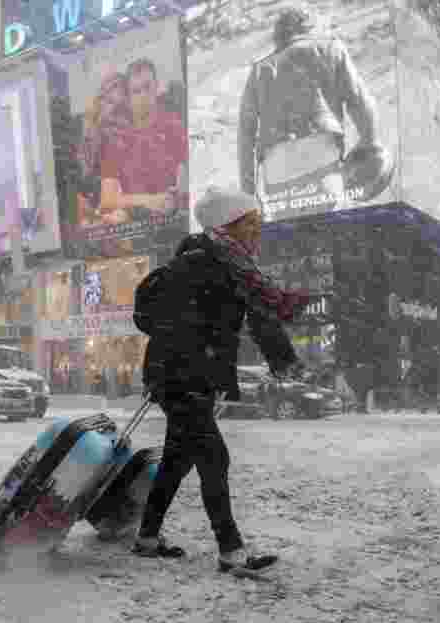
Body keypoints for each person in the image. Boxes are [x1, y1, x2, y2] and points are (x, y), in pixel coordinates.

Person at [134, 187, 308, 577]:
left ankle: (147, 537)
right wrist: (190, 360)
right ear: (227, 225)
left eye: (258, 224)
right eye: (251, 224)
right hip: (183, 375)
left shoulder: (222, 263)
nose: (257, 233)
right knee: (214, 457)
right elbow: (174, 323)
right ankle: (231, 551)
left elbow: (256, 315)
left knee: (178, 460)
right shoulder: (204, 264)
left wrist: (283, 359)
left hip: (186, 373)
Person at [238, 3, 391, 222]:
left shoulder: (259, 70)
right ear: (312, 26)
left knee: (294, 243)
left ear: (278, 36)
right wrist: (370, 142)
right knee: (329, 237)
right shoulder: (332, 49)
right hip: (321, 158)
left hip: (277, 171)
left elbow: (245, 136)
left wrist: (250, 193)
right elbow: (360, 101)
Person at [98, 59, 188, 217]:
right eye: (136, 91)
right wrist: (149, 201)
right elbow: (107, 199)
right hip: (136, 220)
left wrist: (178, 195)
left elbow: (187, 177)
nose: (143, 96)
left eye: (147, 87)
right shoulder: (116, 137)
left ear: (157, 87)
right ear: (129, 97)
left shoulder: (174, 125)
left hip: (173, 215)